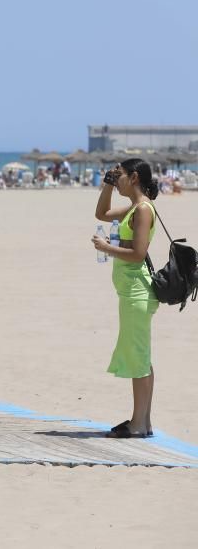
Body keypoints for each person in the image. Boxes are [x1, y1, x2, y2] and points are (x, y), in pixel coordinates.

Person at [92, 158, 160, 439]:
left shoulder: (143, 209)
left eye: (118, 175)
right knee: (139, 354)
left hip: (137, 291)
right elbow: (102, 213)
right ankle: (143, 421)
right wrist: (107, 185)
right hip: (131, 290)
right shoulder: (133, 208)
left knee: (138, 356)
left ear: (133, 178)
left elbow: (138, 253)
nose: (115, 178)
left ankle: (138, 424)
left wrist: (107, 247)